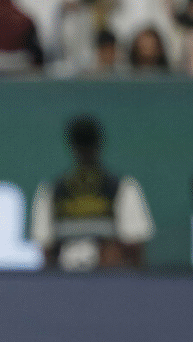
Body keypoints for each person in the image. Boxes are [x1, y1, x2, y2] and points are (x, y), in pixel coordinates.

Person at [30, 115, 155, 271]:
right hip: (66, 281)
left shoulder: (121, 188)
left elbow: (135, 246)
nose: (85, 151)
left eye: (87, 144)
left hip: (110, 281)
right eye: (82, 144)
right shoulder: (52, 191)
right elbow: (46, 251)